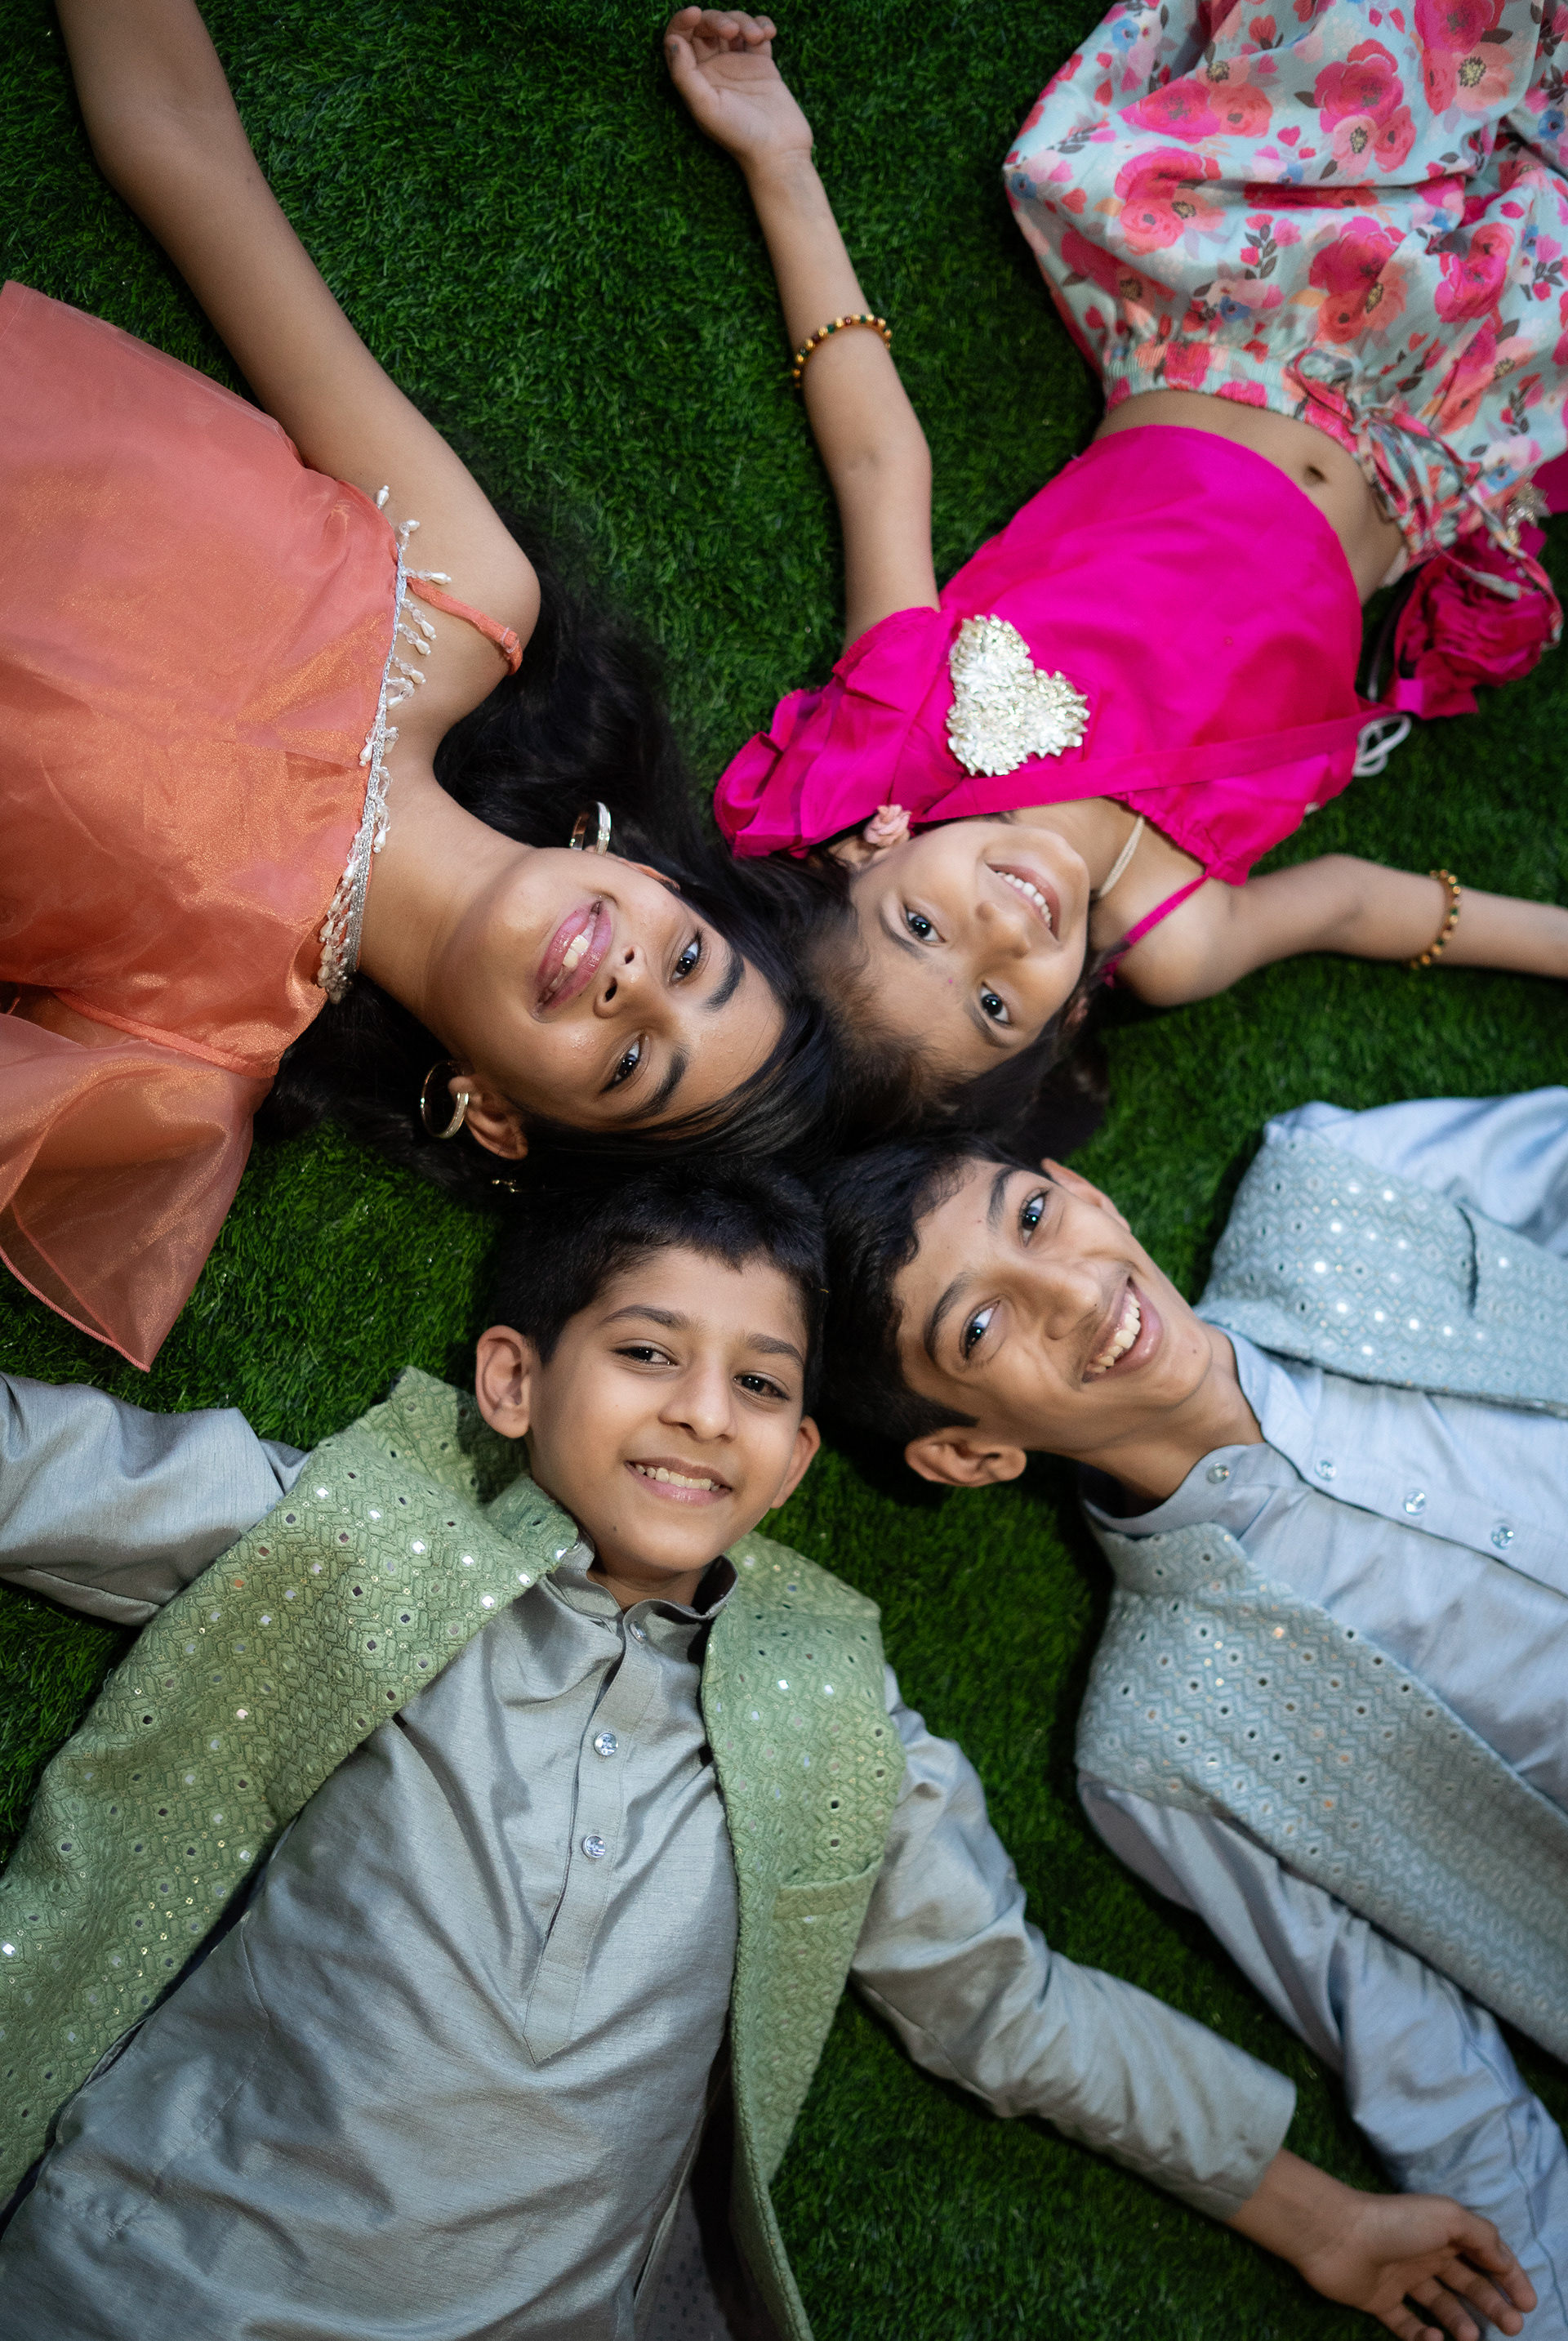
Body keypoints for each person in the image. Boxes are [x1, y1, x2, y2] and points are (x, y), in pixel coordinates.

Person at [0, 1167, 1535, 2341]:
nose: (700, 1413)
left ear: (796, 1459)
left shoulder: (833, 1711)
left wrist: (1319, 2218)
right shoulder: (374, 1528)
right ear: (515, 1381)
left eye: (757, 1384)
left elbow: (1006, 2003)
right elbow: (54, 1471)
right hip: (146, 2288)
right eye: (647, 1351)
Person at [0, 0, 830, 1376]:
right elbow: (187, 155)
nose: (634, 984)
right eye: (688, 960)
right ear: (653, 877)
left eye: (635, 1064)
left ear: (497, 1116)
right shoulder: (460, 595)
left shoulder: (188, 1064)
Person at [663, 8, 1568, 1141]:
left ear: (865, 848)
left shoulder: (910, 723)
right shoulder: (1172, 933)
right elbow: (1349, 901)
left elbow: (879, 462)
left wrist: (778, 160)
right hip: (1447, 422)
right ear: (1057, 1028)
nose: (1002, 933)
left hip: (1254, 308)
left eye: (921, 930)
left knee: (1404, 50)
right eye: (995, 1006)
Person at [815, 1086, 1568, 2330]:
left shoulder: (1334, 1184)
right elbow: (1422, 2059)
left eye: (1035, 1216)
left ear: (1084, 1189)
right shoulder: (1162, 1745)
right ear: (970, 1453)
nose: (1072, 1291)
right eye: (984, 1325)